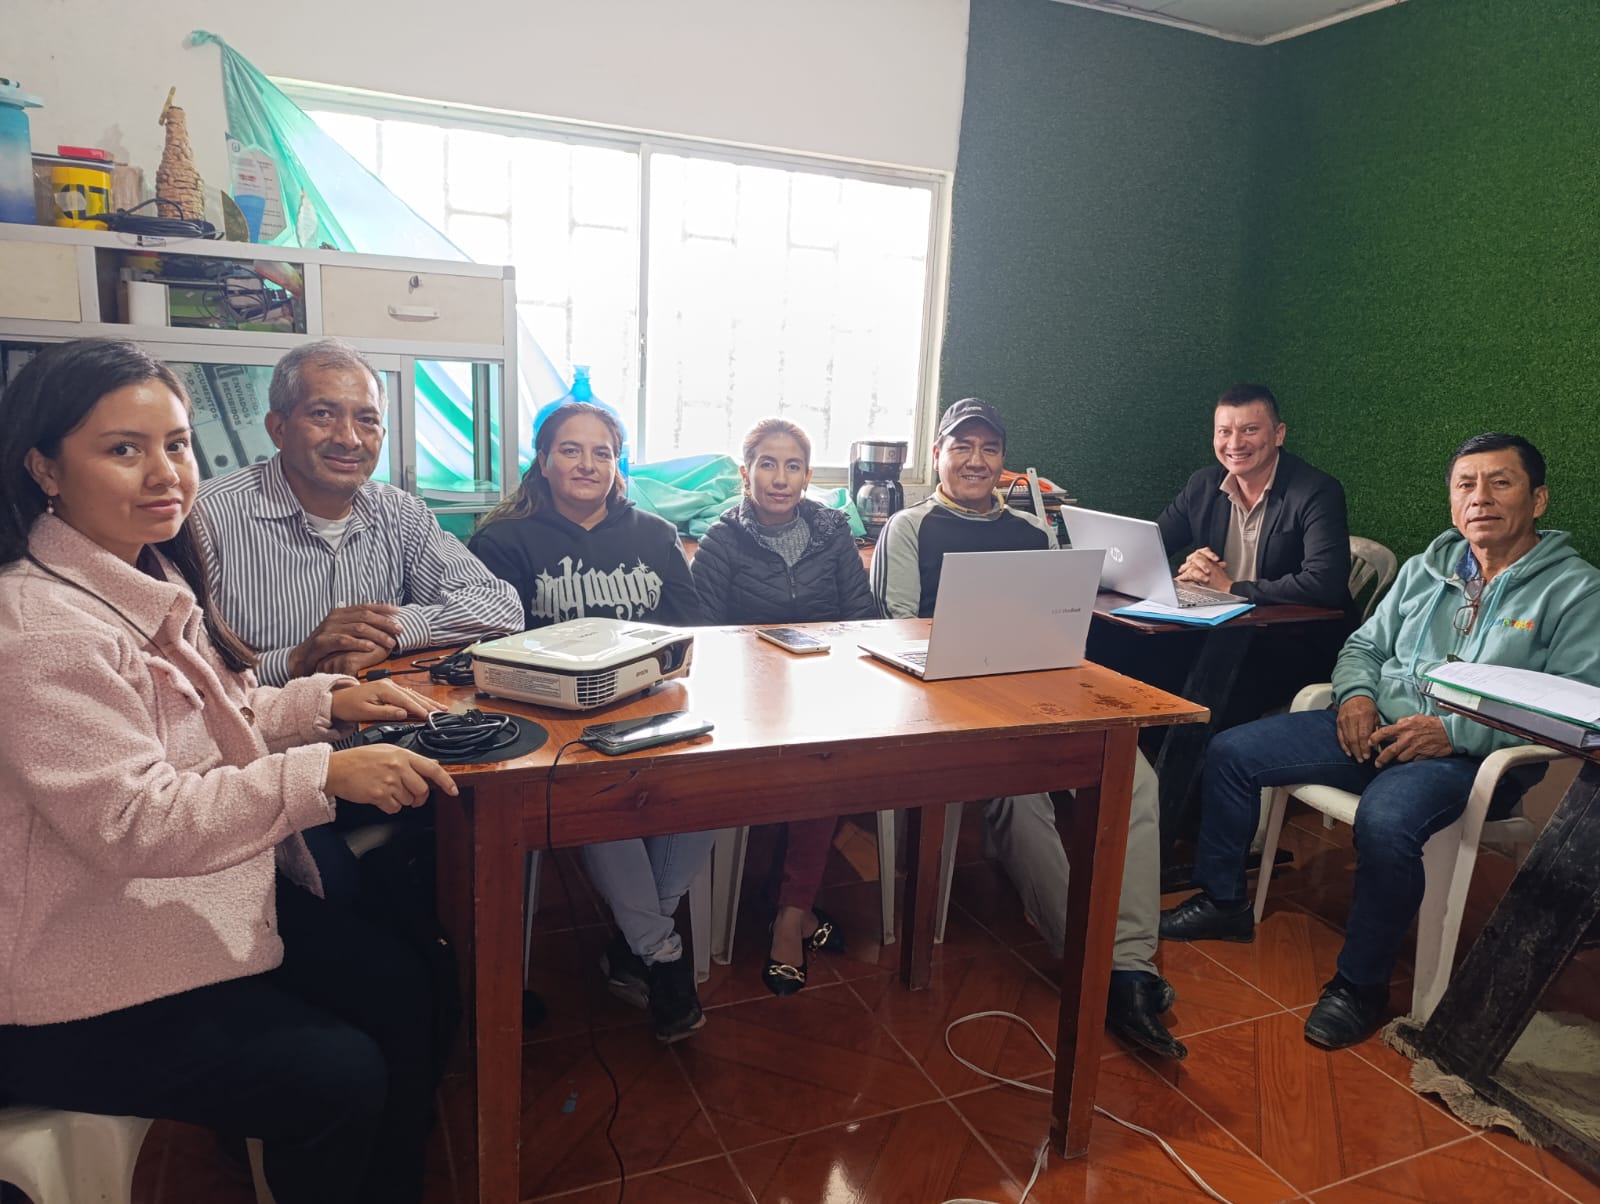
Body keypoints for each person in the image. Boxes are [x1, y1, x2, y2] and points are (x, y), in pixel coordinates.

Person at [0, 339, 461, 1204]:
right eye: (123, 449)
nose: (164, 473)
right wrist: (323, 776)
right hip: (69, 976)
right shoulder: (41, 627)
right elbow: (133, 821)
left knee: (404, 983)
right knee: (338, 1075)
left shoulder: (141, 573)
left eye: (176, 444)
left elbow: (218, 716)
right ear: (44, 468)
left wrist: (328, 702)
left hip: (166, 905)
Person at [1161, 433, 1600, 1049]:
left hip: (1470, 760)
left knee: (1387, 819)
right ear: (1453, 501)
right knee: (1232, 751)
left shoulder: (1575, 591)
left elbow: (1574, 707)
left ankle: (1360, 985)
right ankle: (1223, 900)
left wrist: (1451, 731)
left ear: (1539, 499)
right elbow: (1363, 646)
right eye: (1466, 484)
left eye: (1500, 482)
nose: (1480, 497)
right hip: (1372, 729)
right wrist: (1357, 698)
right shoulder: (1426, 570)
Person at [871, 397, 1185, 1060]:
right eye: (961, 447)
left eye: (988, 449)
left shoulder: (1036, 534)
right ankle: (1092, 962)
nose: (975, 460)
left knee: (1136, 778)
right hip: (950, 702)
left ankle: (1129, 962)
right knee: (1018, 799)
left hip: (1037, 694)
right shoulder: (909, 527)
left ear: (1003, 461)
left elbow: (1056, 627)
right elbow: (895, 629)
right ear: (938, 455)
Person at [470, 401, 710, 1041]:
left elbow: (691, 630)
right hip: (558, 727)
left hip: (654, 710)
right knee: (601, 796)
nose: (587, 464)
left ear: (618, 463)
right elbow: (490, 649)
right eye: (570, 450)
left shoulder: (656, 535)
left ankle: (637, 943)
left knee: (715, 786)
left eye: (602, 452)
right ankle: (660, 953)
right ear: (543, 461)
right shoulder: (503, 540)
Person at [193, 338, 523, 689]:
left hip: (382, 716)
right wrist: (296, 660)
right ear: (278, 428)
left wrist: (388, 633)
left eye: (367, 420)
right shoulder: (207, 517)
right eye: (323, 414)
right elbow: (177, 675)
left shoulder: (400, 512)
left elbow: (500, 606)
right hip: (262, 723)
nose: (349, 438)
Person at [691, 418, 875, 996]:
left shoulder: (833, 532)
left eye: (793, 466)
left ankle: (792, 911)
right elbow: (700, 637)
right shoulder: (722, 540)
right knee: (817, 763)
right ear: (745, 473)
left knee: (828, 756)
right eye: (767, 464)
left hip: (825, 687)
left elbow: (864, 619)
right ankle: (795, 908)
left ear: (807, 475)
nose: (780, 478)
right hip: (745, 697)